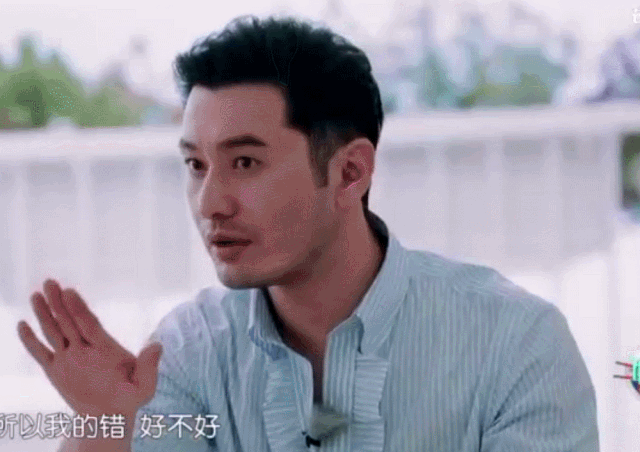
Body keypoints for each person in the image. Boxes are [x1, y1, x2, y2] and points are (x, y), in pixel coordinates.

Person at [17, 14, 600, 452]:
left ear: (350, 173)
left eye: (245, 162)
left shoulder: (516, 345)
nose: (210, 202)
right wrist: (105, 432)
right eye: (195, 164)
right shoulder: (188, 353)